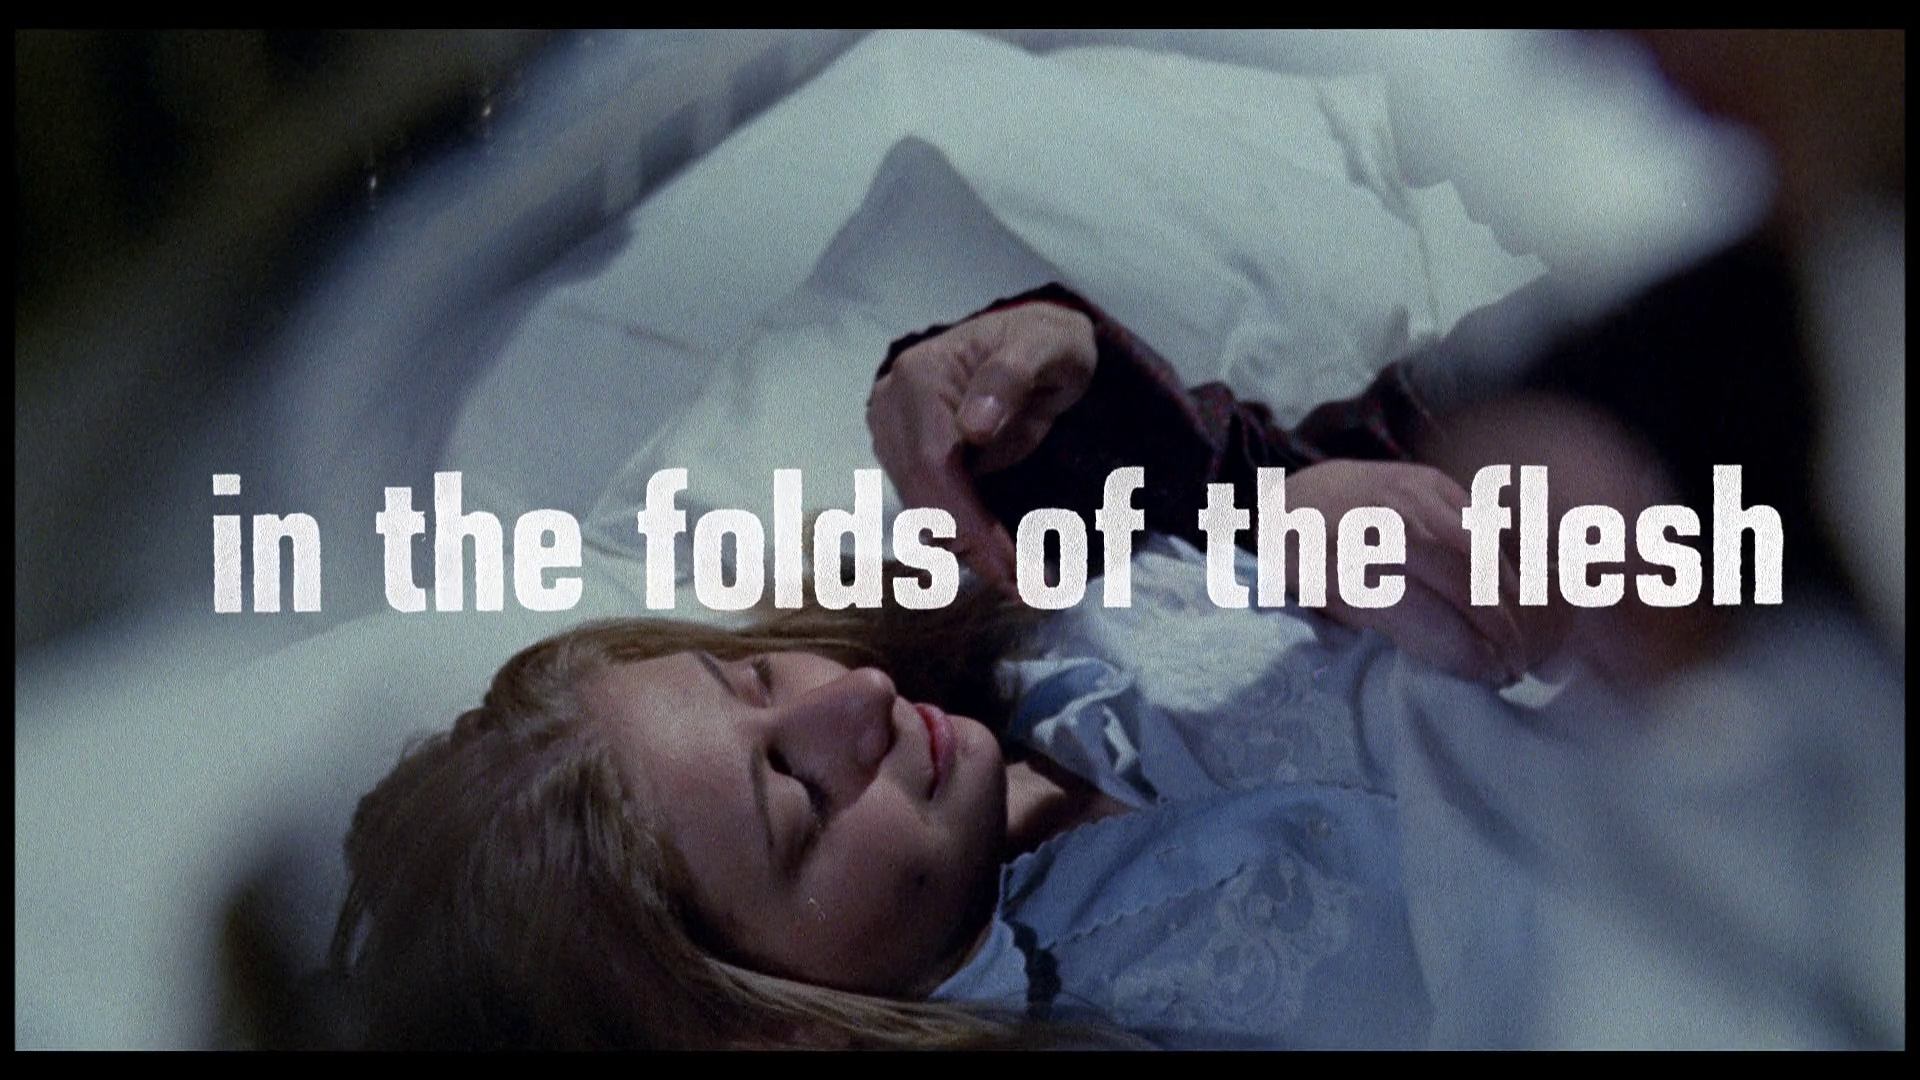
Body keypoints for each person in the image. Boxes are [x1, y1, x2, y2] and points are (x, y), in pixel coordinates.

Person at [329, 288, 1542, 1049]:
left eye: (753, 679)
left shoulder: (1023, 614)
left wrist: (1273, 493)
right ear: (781, 1027)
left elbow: (1400, 434)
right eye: (795, 797)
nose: (854, 700)